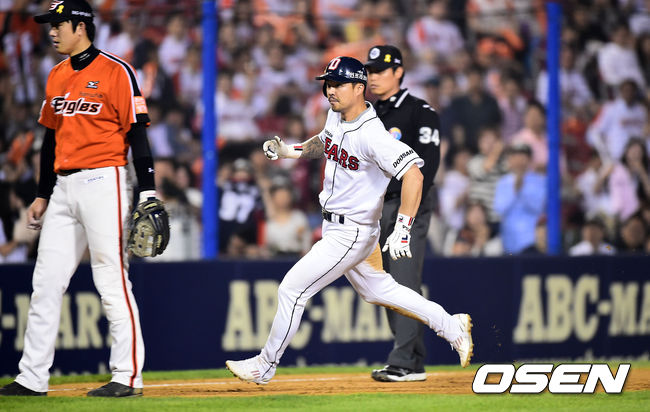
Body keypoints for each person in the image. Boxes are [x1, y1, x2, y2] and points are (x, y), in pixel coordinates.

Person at [225, 56, 473, 385]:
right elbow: (325, 142)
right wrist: (290, 151)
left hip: (352, 233)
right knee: (379, 290)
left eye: (338, 84)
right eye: (328, 84)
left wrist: (403, 227)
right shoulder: (337, 114)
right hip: (338, 227)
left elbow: (414, 174)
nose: (331, 90)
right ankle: (451, 325)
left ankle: (265, 365)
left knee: (292, 290)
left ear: (359, 88)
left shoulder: (373, 134)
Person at [0, 0, 163, 397]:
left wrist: (147, 189)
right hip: (63, 186)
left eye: (59, 24)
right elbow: (50, 139)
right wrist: (42, 193)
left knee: (110, 279)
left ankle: (127, 376)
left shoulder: (116, 70)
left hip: (104, 180)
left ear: (81, 26)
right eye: (50, 25)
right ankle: (32, 377)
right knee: (45, 281)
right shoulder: (56, 75)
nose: (52, 31)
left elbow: (137, 133)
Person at [363, 45, 442, 382]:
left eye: (380, 70)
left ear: (398, 71)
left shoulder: (419, 112)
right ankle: (412, 360)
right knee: (385, 284)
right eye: (369, 71)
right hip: (376, 206)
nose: (373, 77)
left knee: (404, 281)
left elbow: (428, 167)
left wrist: (407, 218)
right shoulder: (367, 113)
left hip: (407, 204)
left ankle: (404, 361)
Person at [493, 144, 546, 254]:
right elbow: (499, 208)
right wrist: (515, 189)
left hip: (531, 240)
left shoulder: (540, 181)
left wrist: (521, 190)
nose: (518, 160)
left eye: (522, 156)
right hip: (508, 241)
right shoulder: (503, 182)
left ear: (529, 159)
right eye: (514, 156)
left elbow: (539, 207)